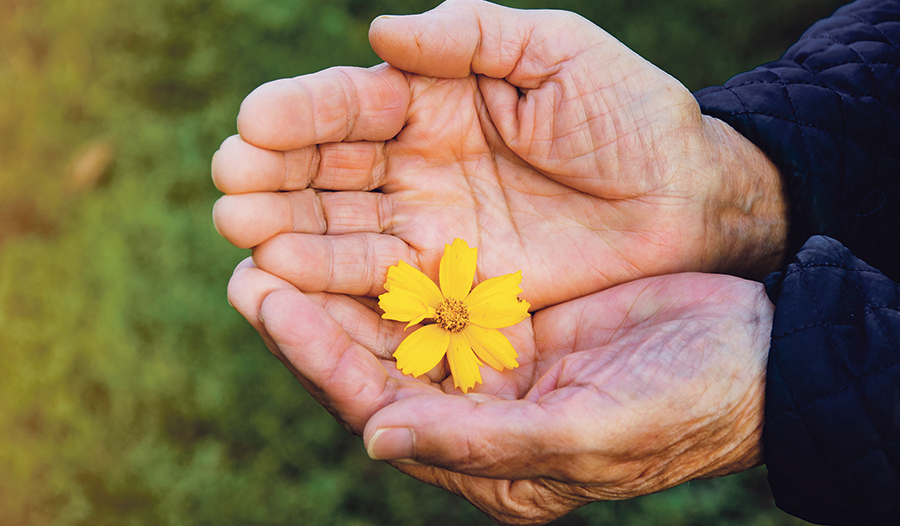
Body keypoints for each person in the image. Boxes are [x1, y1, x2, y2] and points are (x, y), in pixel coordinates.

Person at [210, 0, 900, 524]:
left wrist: (798, 374)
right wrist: (734, 184)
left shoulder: (466, 319)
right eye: (447, 311)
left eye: (448, 311)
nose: (449, 311)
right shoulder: (445, 311)